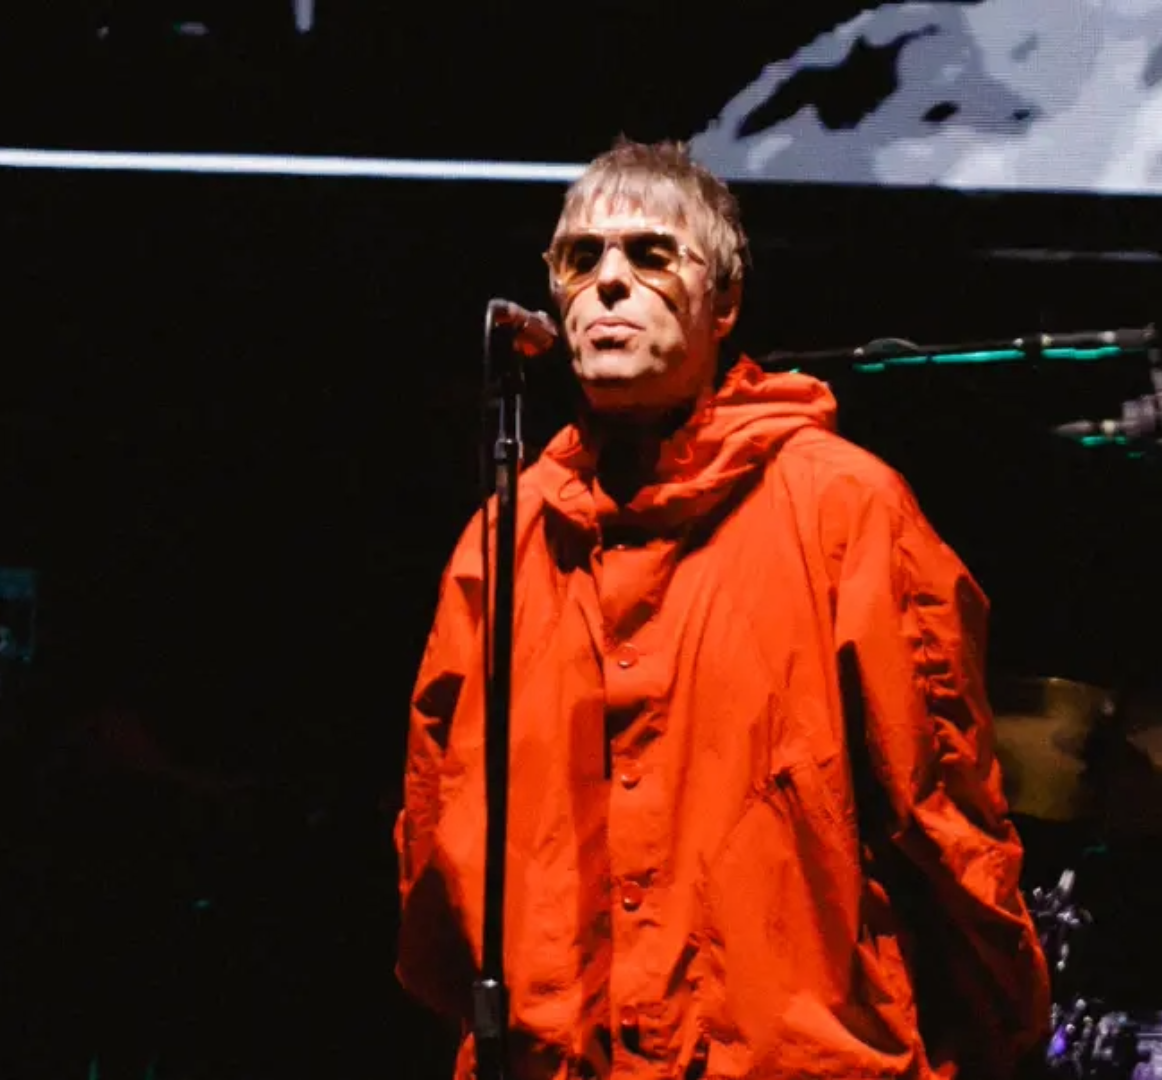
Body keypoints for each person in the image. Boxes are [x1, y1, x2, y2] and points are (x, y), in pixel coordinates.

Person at [392, 137, 1052, 1080]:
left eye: (652, 255)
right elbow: (436, 830)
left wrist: (1006, 1026)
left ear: (725, 303)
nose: (609, 283)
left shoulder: (844, 509)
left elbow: (941, 803)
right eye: (581, 260)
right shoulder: (507, 534)